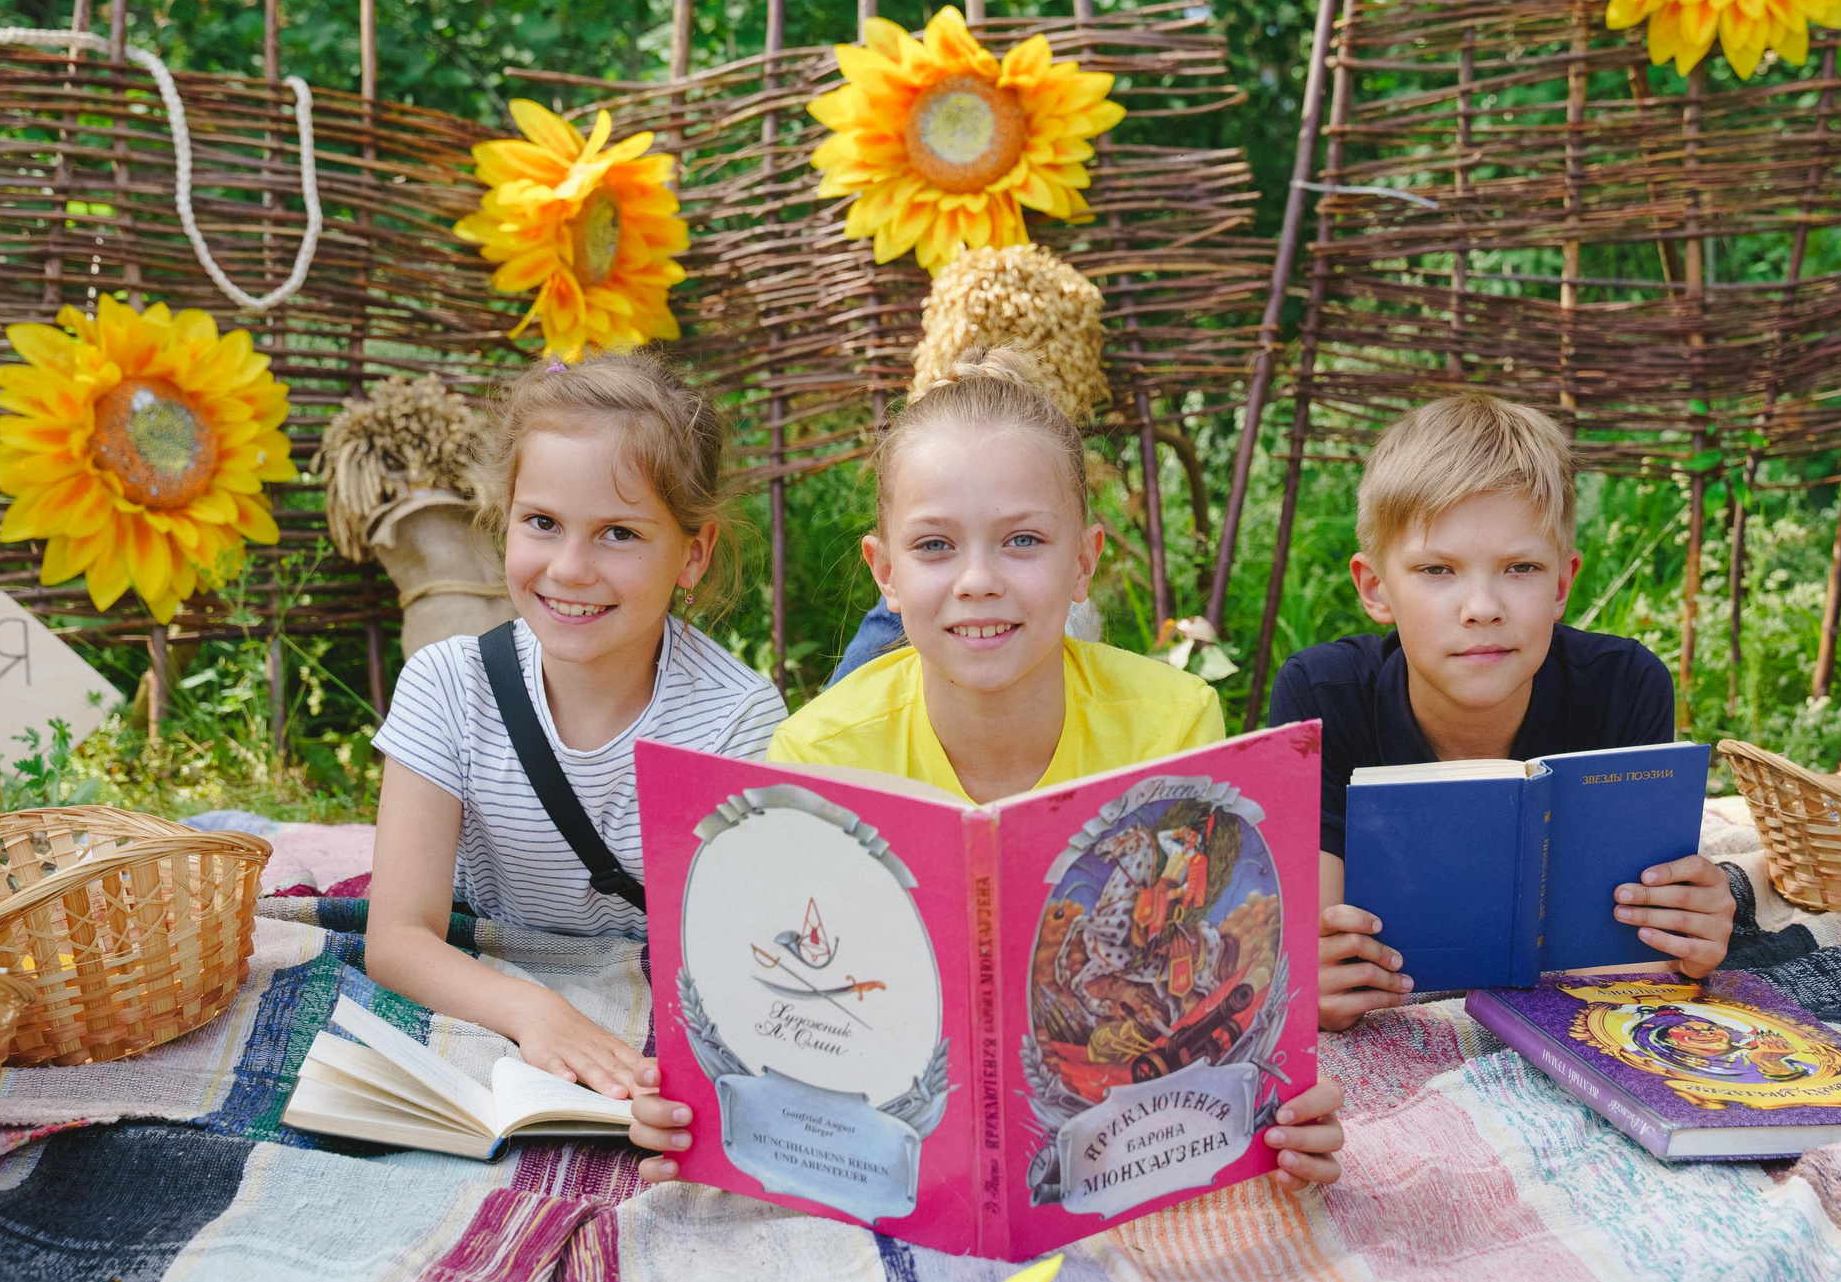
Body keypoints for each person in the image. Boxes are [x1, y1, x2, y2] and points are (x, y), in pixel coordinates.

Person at [632, 347, 1347, 1190]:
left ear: (1083, 559)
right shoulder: (817, 756)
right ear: (885, 573)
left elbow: (1207, 979)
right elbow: (786, 1015)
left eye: (1023, 541)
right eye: (935, 545)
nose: (978, 580)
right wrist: (704, 1111)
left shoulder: (1175, 723)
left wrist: (1278, 1104)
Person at [366, 353, 787, 1112]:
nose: (569, 567)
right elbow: (397, 936)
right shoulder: (447, 685)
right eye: (543, 523)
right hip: (492, 975)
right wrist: (536, 1013)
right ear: (506, 517)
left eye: (618, 533)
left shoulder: (737, 721)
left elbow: (744, 952)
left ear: (693, 553)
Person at [1269, 393, 1736, 1032]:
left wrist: (1690, 935)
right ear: (1376, 588)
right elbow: (1312, 941)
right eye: (1438, 570)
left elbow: (1641, 955)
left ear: (1562, 585)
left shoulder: (1625, 686)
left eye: (1520, 568)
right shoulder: (1322, 695)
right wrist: (1309, 981)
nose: (1482, 607)